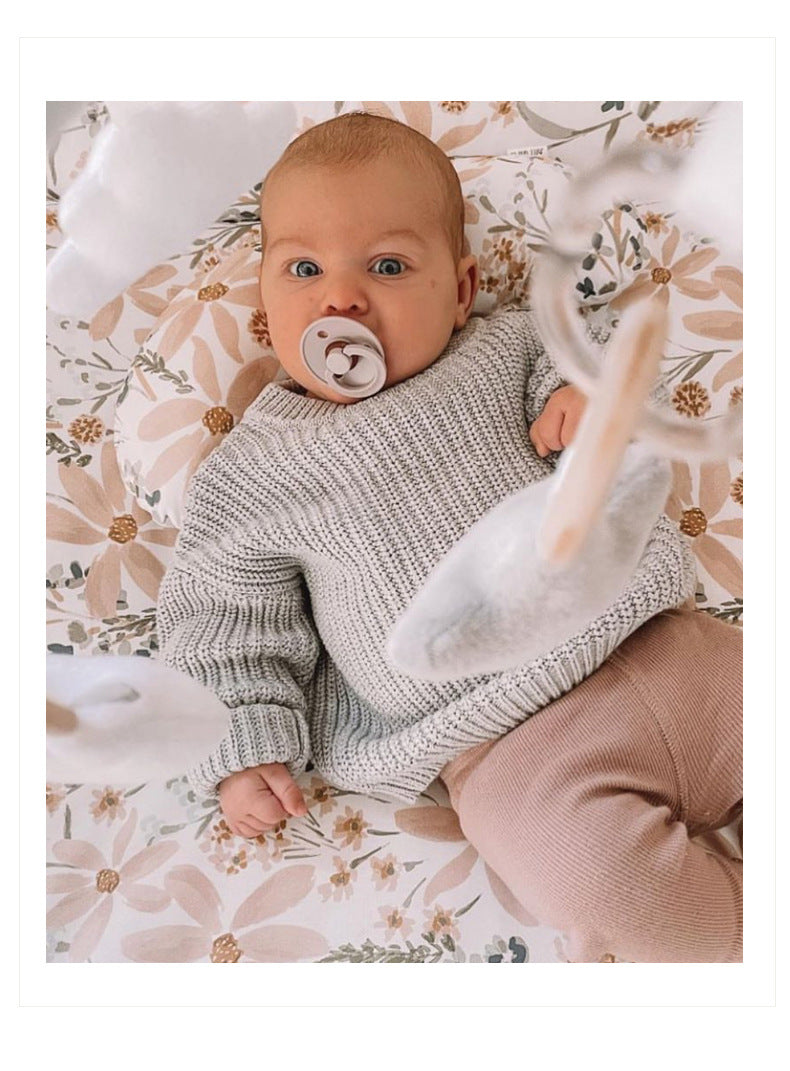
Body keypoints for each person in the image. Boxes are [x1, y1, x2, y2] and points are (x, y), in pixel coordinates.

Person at [157, 112, 742, 962]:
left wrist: (591, 402)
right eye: (304, 269)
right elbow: (223, 626)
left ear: (462, 289)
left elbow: (607, 359)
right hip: (506, 753)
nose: (341, 298)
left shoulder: (510, 347)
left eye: (388, 266)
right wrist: (245, 749)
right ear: (264, 296)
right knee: (598, 882)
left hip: (663, 644)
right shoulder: (251, 473)